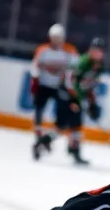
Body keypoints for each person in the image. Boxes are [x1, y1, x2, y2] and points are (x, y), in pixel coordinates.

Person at [55, 36, 107, 166]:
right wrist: (78, 99)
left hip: (77, 96)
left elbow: (90, 86)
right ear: (90, 50)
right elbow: (71, 82)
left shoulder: (99, 67)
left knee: (76, 123)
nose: (97, 53)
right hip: (67, 93)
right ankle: (45, 141)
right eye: (95, 50)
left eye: (100, 51)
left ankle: (74, 149)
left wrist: (92, 103)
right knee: (63, 124)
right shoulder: (83, 62)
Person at [29, 24, 78, 160]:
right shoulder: (42, 50)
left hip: (59, 88)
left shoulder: (70, 51)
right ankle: (39, 139)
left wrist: (69, 85)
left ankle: (46, 139)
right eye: (55, 37)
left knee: (62, 120)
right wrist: (35, 80)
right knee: (38, 113)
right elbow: (35, 66)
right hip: (43, 86)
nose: (57, 40)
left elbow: (75, 69)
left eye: (59, 37)